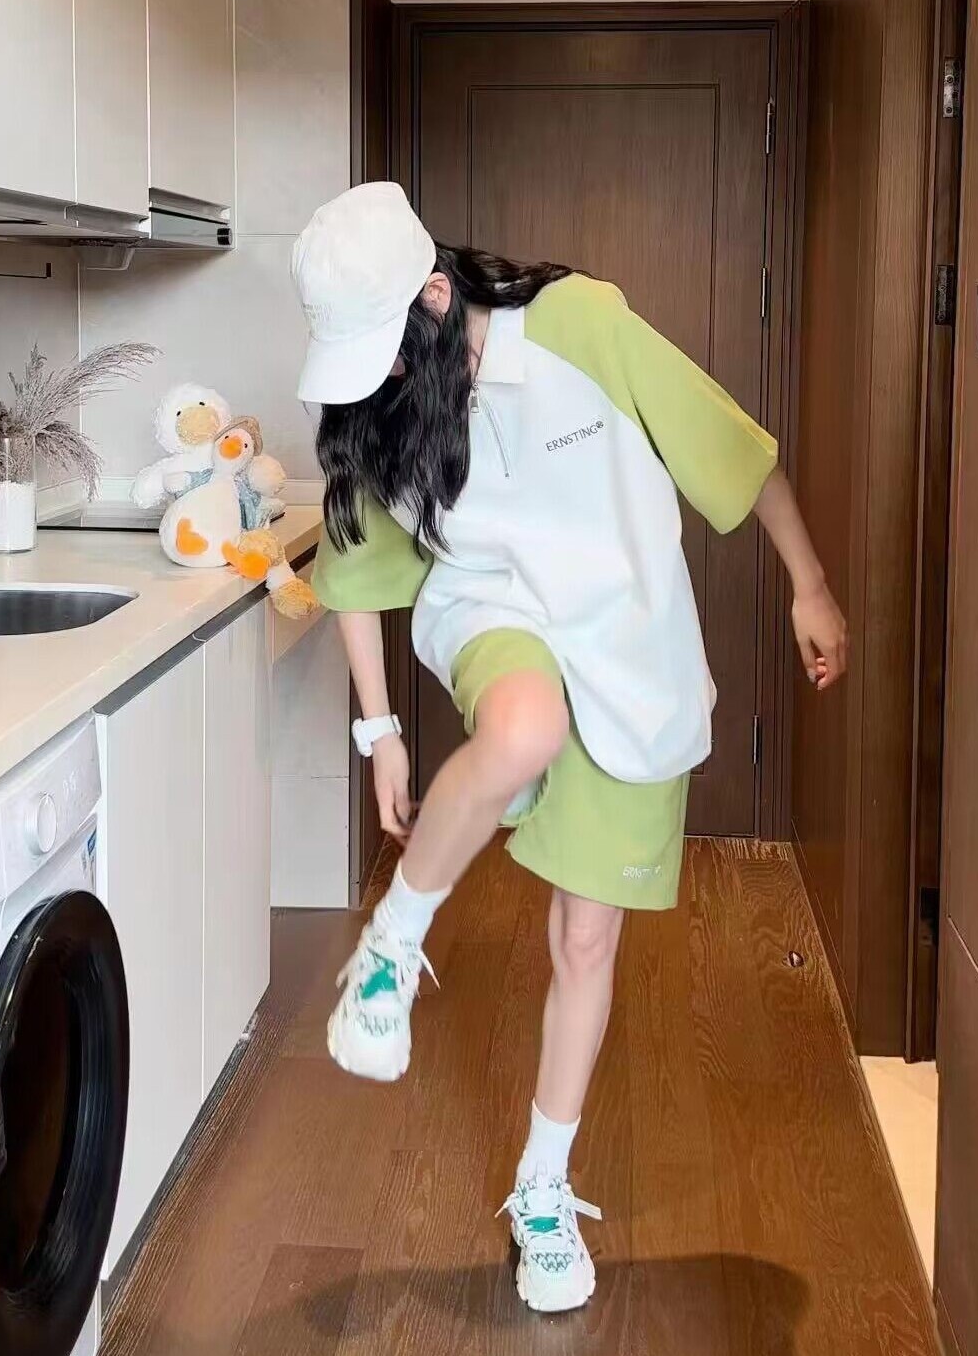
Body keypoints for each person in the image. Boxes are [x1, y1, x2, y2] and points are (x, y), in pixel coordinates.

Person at [293, 181, 847, 1314]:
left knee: (585, 940)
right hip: (491, 611)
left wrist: (811, 583)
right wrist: (379, 732)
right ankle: (391, 947)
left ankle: (541, 1189)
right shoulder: (391, 406)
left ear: (434, 297)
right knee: (524, 723)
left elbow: (729, 448)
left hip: (626, 642)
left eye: (383, 355)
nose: (377, 385)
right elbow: (352, 568)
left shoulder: (582, 326)